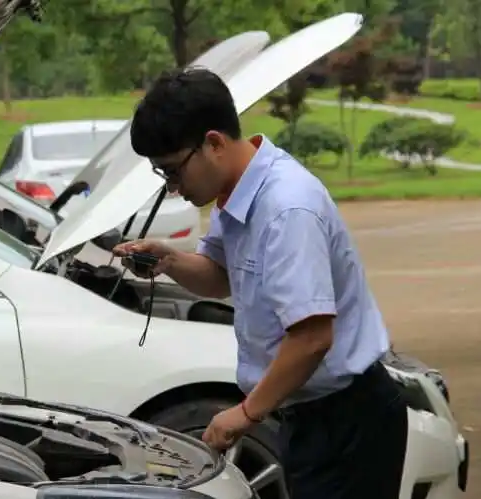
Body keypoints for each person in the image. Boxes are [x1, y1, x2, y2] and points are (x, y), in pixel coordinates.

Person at [113, 67, 408, 499]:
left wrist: (246, 413)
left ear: (213, 143)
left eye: (174, 172)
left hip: (348, 422)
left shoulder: (287, 209)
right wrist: (170, 260)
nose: (173, 189)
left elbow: (312, 336)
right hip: (307, 415)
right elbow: (219, 277)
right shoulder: (236, 193)